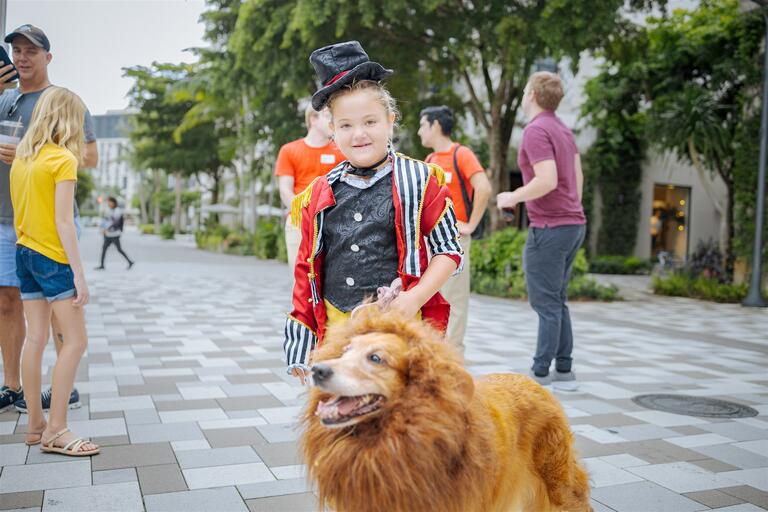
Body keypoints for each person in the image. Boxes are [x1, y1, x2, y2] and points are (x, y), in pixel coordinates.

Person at [284, 41, 463, 382]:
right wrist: (301, 342)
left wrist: (414, 298)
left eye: (370, 121)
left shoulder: (422, 180)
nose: (359, 133)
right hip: (338, 332)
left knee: (403, 419)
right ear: (333, 131)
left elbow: (449, 251)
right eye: (346, 125)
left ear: (390, 121)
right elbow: (305, 273)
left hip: (399, 329)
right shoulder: (317, 195)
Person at [0, 25, 96, 413]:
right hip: (6, 218)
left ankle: (62, 386)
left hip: (49, 222)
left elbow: (89, 157)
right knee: (9, 304)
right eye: (16, 51)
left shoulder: (62, 101)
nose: (22, 58)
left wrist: (29, 151)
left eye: (31, 51)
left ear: (47, 57)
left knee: (57, 309)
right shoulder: (4, 100)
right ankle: (14, 387)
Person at [10, 86, 98, 455]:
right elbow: (65, 223)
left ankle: (35, 426)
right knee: (76, 341)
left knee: (36, 339)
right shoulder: (62, 159)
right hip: (53, 258)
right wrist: (78, 273)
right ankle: (57, 430)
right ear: (67, 119)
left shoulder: (23, 160)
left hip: (24, 253)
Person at [497, 71, 586, 391]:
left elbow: (546, 180)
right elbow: (577, 177)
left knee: (546, 303)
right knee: (557, 300)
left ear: (533, 94)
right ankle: (564, 371)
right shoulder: (564, 130)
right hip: (573, 224)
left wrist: (511, 197)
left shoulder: (536, 131)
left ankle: (540, 372)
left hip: (550, 227)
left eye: (523, 90)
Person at [418, 105, 491, 353]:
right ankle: (434, 355)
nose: (419, 132)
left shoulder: (462, 154)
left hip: (455, 240)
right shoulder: (430, 160)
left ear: (436, 125)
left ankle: (453, 359)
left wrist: (470, 224)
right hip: (431, 241)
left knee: (454, 301)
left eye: (422, 125)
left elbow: (484, 187)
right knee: (431, 297)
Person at [275, 104, 344, 285]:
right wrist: (304, 215)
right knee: (302, 280)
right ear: (313, 119)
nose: (333, 122)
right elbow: (284, 189)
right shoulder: (289, 150)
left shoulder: (340, 152)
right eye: (328, 116)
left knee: (331, 278)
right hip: (300, 223)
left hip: (333, 221)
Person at [95, 196, 134, 270]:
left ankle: (130, 262)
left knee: (119, 249)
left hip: (115, 234)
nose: (109, 203)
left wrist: (106, 229)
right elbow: (106, 220)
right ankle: (102, 265)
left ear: (114, 202)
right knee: (104, 249)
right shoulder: (109, 210)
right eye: (108, 202)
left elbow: (115, 223)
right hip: (108, 234)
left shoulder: (117, 211)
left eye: (110, 202)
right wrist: (102, 228)